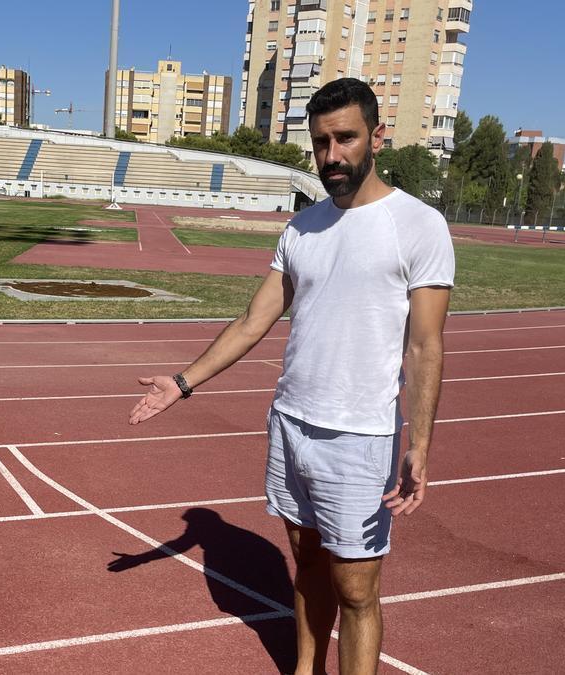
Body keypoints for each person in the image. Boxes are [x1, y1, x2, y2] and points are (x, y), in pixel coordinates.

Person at [127, 77, 454, 675]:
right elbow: (256, 318)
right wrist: (182, 381)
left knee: (356, 591)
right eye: (321, 142)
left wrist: (422, 444)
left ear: (377, 137)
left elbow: (426, 346)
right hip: (291, 425)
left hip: (359, 438)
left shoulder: (418, 225)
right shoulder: (301, 228)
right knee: (305, 567)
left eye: (346, 138)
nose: (332, 155)